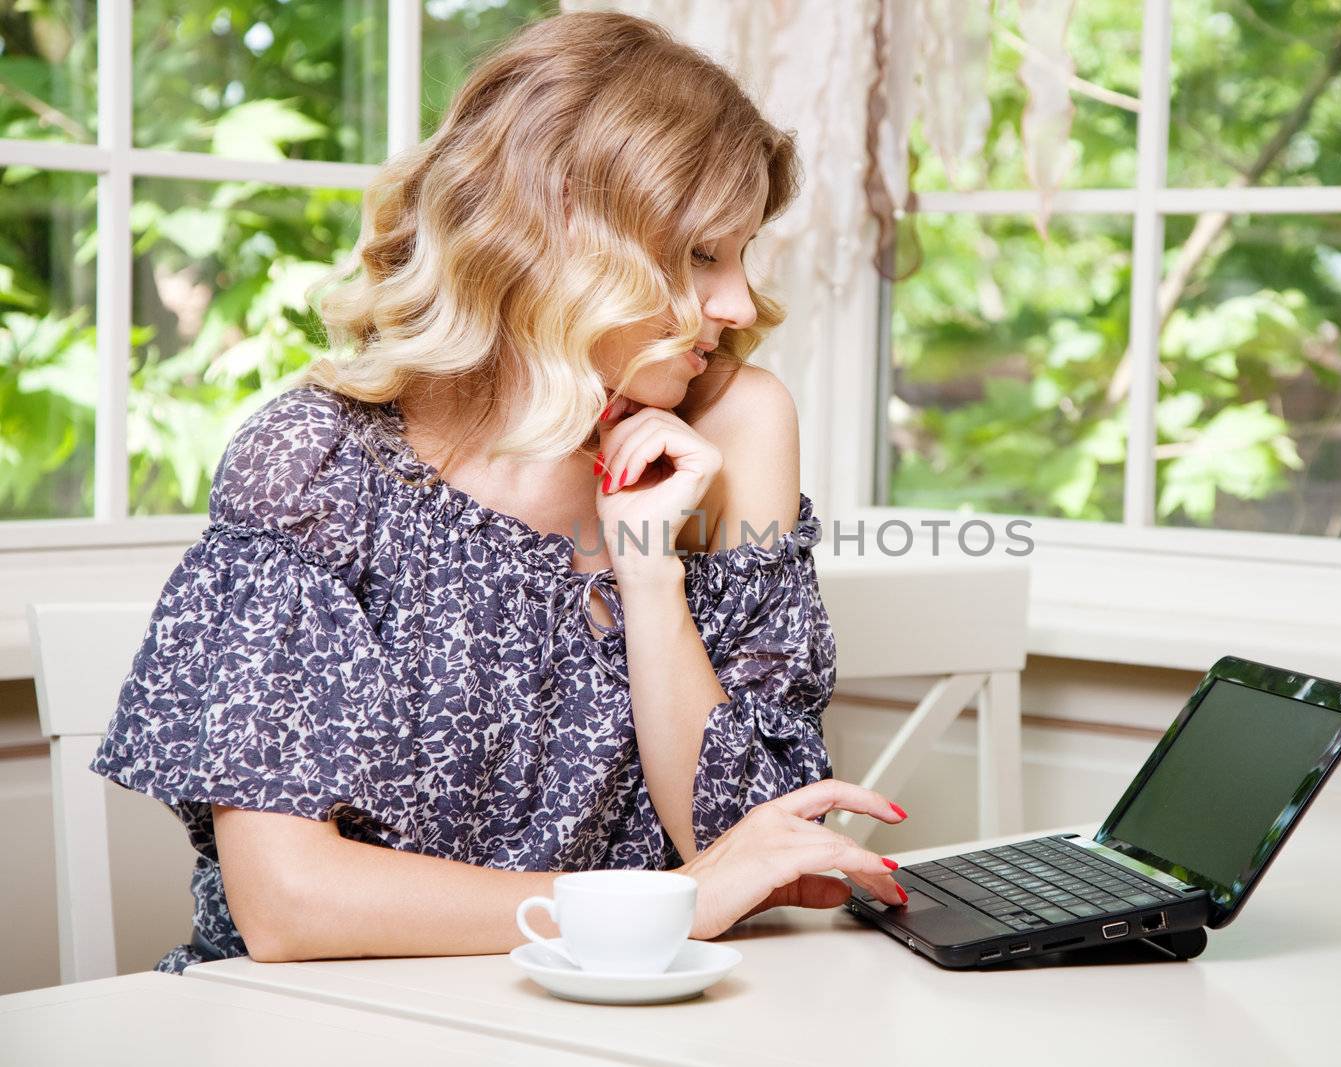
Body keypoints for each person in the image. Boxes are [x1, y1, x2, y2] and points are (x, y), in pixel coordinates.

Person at [89, 10, 909, 973]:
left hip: (628, 1024)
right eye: (700, 254)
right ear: (565, 221)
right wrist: (657, 910)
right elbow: (287, 904)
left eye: (738, 256)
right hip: (333, 1027)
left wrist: (650, 581)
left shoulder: (733, 424)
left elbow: (741, 844)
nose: (735, 305)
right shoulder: (317, 465)